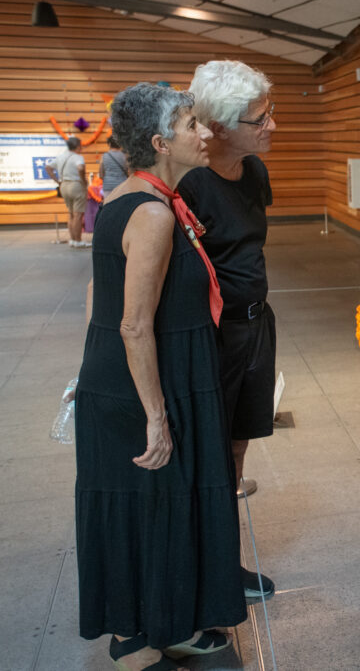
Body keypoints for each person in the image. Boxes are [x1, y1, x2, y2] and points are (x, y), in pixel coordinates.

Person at [76, 82, 244, 671]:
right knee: (150, 504)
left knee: (161, 506)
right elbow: (133, 325)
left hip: (145, 373)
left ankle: (168, 622)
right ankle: (137, 637)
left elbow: (100, 292)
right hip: (144, 381)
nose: (205, 134)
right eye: (192, 125)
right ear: (159, 142)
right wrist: (155, 415)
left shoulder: (134, 197)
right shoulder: (151, 214)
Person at [178, 60, 278, 601]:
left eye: (271, 112)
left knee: (236, 453)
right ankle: (206, 572)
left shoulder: (255, 171)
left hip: (256, 327)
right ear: (217, 127)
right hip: (213, 338)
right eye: (259, 118)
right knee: (208, 457)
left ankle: (226, 564)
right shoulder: (190, 184)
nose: (272, 126)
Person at [45, 136, 89, 248]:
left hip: (63, 185)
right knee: (78, 215)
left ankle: (73, 240)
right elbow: (80, 168)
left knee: (71, 214)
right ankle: (78, 240)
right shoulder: (78, 157)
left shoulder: (61, 156)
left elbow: (48, 167)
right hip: (76, 185)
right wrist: (84, 181)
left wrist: (57, 181)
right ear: (78, 146)